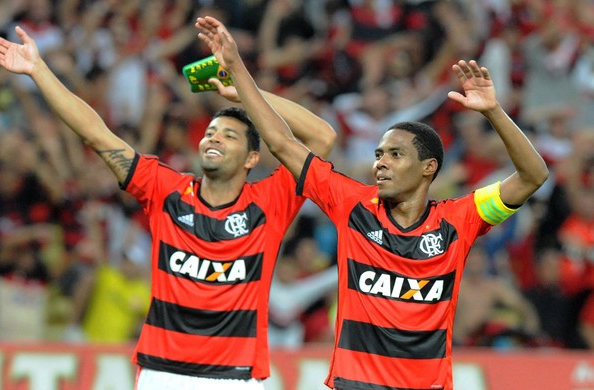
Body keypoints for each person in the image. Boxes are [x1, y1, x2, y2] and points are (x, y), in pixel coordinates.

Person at [195, 15, 549, 390]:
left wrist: (494, 111)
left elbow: (533, 176)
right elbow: (283, 144)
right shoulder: (352, 205)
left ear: (428, 168)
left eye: (395, 154)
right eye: (379, 154)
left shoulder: (459, 219)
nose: (380, 162)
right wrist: (241, 76)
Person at [0, 25, 336, 389]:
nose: (214, 138)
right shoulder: (165, 189)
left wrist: (245, 90)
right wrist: (38, 70)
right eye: (210, 132)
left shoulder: (272, 201)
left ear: (251, 158)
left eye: (229, 135)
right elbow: (95, 133)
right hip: (163, 374)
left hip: (236, 377)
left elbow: (322, 137)